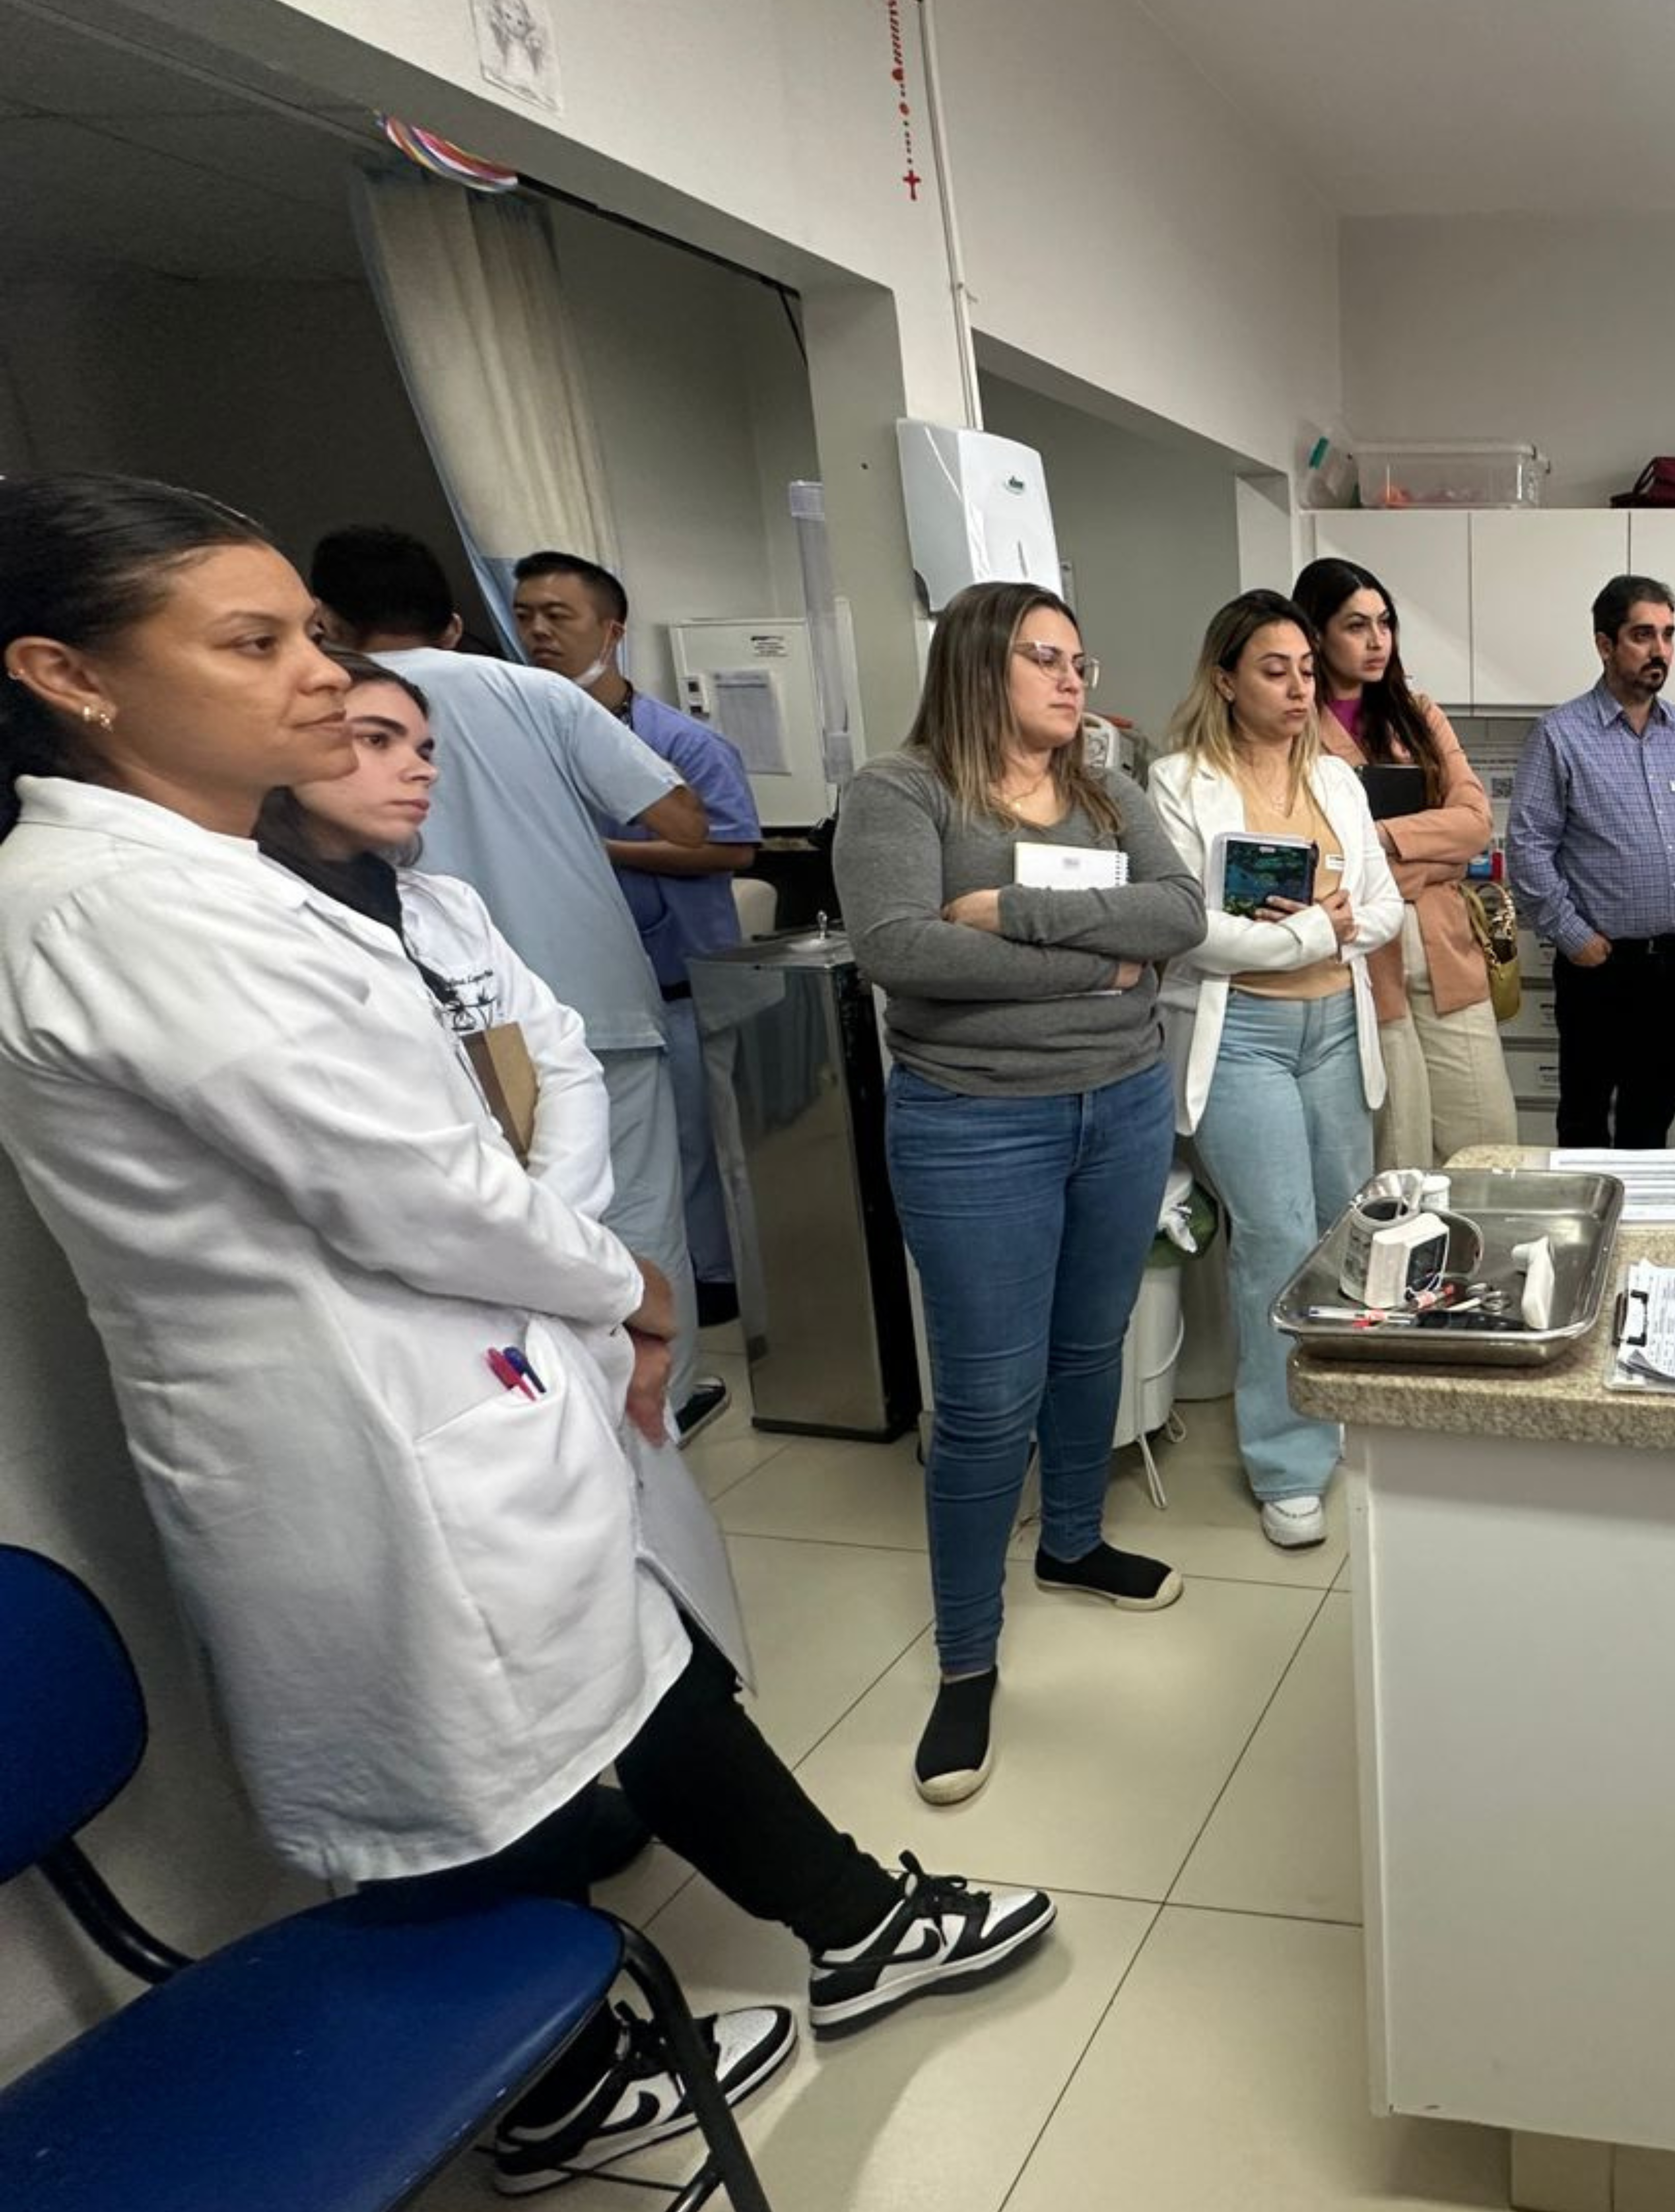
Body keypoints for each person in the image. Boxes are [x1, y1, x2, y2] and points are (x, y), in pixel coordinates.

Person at [0, 476, 1049, 2196]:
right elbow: (411, 1185)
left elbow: (512, 1081)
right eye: (253, 644)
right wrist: (624, 1280)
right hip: (368, 1431)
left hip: (459, 1380)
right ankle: (566, 2074)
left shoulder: (217, 885)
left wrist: (580, 1269)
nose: (322, 686)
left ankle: (839, 1933)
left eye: (315, 639)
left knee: (598, 1680)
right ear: (70, 674)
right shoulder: (123, 910)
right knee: (449, 1764)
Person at [834, 582, 1205, 1805]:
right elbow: (900, 948)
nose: (1073, 679)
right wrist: (1102, 962)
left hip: (1124, 1102)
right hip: (975, 1121)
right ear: (979, 661)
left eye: (1081, 660)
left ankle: (1071, 1541)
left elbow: (1180, 913)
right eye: (1045, 657)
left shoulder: (1107, 785)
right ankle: (966, 1656)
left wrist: (1021, 915)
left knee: (1088, 1340)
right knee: (988, 1397)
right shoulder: (900, 790)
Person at [309, 524, 716, 1426]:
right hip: (588, 984)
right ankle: (661, 1409)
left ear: (325, 620)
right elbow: (688, 822)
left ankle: (559, 1412)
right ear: (455, 625)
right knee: (638, 1211)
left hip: (451, 1020)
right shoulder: (537, 696)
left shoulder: (319, 714)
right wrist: (561, 824)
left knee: (494, 1233)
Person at [1148, 592, 1402, 1549]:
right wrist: (1314, 926)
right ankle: (1289, 1463)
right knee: (1277, 1238)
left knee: (1345, 1229)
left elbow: (1380, 912)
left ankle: (1345, 1416)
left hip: (1335, 1028)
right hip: (1242, 1041)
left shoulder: (1337, 782)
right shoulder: (1179, 784)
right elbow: (1190, 933)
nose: (1299, 688)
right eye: (1273, 670)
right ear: (1224, 679)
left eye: (1305, 669)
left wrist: (1312, 930)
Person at [512, 549, 764, 1330]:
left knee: (696, 1148)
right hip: (570, 990)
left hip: (677, 984)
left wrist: (600, 852)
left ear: (611, 630)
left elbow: (731, 846)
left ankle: (712, 1286)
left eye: (560, 616)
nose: (539, 632)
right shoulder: (524, 728)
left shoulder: (681, 746)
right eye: (525, 615)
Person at [1295, 555, 1518, 1169]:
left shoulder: (1416, 714)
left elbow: (1474, 823)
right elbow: (1318, 865)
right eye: (1355, 625)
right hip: (1367, 969)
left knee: (1490, 1148)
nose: (1376, 641)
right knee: (1402, 1157)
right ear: (1316, 633)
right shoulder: (1294, 730)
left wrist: (1377, 843)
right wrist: (1431, 856)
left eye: (1385, 623)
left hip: (1446, 953)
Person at [1506, 574, 1675, 1149]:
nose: (1660, 651)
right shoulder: (1560, 735)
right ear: (1605, 645)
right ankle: (1587, 1235)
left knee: (1654, 1110)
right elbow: (1528, 847)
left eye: (1667, 635)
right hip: (1602, 968)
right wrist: (1572, 936)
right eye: (1642, 635)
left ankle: (1640, 1233)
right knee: (1586, 1113)